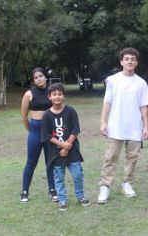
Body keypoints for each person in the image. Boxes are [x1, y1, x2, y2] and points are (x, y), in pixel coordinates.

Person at [97, 47, 148, 204]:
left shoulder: (141, 83)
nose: (129, 61)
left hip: (135, 127)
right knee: (110, 157)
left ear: (136, 62)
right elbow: (107, 102)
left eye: (132, 59)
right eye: (126, 59)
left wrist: (146, 126)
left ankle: (127, 183)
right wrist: (103, 122)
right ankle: (105, 186)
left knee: (132, 157)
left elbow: (143, 106)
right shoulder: (113, 80)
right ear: (121, 61)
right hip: (115, 126)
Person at [41, 83, 90, 211]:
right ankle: (62, 199)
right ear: (49, 97)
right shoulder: (46, 115)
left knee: (77, 174)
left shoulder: (70, 111)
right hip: (55, 152)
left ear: (63, 96)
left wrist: (68, 146)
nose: (57, 97)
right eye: (54, 94)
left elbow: (75, 130)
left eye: (60, 94)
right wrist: (62, 145)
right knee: (59, 177)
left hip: (72, 150)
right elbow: (46, 135)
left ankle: (80, 196)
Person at [20, 67, 58, 203]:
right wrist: (30, 130)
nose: (38, 79)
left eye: (40, 76)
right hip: (35, 130)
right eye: (35, 77)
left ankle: (52, 190)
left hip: (50, 131)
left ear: (45, 77)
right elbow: (24, 115)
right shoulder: (29, 94)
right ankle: (24, 191)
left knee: (50, 161)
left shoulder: (52, 92)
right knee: (31, 162)